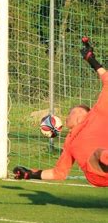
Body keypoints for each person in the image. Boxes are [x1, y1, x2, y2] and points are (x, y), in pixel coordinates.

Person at [13, 37, 108, 187]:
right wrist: (30, 173)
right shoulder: (69, 141)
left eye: (70, 112)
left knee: (102, 153)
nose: (66, 117)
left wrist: (91, 59)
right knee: (100, 154)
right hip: (96, 174)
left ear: (79, 113)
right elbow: (59, 173)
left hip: (104, 163)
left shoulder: (98, 114)